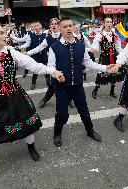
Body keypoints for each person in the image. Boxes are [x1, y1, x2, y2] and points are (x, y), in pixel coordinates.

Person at [0, 24, 64, 175]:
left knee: (26, 123)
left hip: (15, 95)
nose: (6, 35)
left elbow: (33, 65)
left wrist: (53, 71)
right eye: (2, 33)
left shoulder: (11, 52)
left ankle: (31, 147)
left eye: (6, 33)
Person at [47, 17, 115, 147]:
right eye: (65, 26)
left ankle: (90, 130)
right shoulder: (54, 47)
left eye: (70, 26)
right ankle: (57, 133)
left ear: (73, 28)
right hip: (62, 87)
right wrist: (56, 75)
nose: (68, 28)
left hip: (78, 86)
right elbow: (51, 67)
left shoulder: (80, 45)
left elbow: (88, 63)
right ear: (60, 29)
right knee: (62, 113)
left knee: (84, 110)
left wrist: (105, 68)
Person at [91, 17, 127, 99]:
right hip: (104, 57)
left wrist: (123, 55)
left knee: (114, 74)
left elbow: (118, 47)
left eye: (110, 22)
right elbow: (95, 44)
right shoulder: (100, 35)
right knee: (101, 75)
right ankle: (95, 90)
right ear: (104, 24)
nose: (109, 24)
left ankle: (112, 91)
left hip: (114, 57)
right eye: (107, 22)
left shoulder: (115, 35)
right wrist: (94, 48)